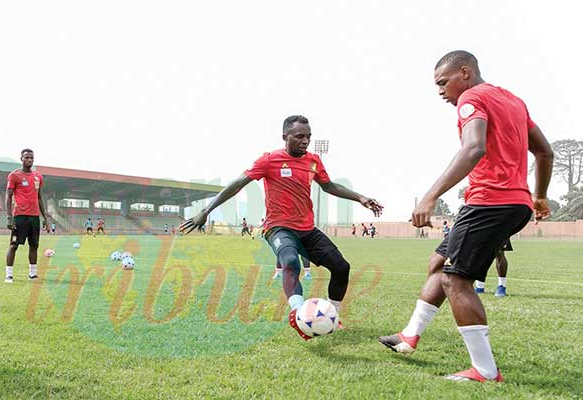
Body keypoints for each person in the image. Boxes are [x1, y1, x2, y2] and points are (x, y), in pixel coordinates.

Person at [378, 51, 553, 383]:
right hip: (514, 203)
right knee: (437, 262)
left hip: (490, 202)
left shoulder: (471, 97)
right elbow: (545, 151)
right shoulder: (514, 101)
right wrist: (540, 195)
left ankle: (484, 371)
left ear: (465, 72)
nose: (441, 91)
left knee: (455, 280)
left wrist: (430, 196)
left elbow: (473, 148)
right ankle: (409, 335)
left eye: (444, 83)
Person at [181, 115, 383, 340]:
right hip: (278, 227)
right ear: (285, 137)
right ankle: (297, 314)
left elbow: (329, 186)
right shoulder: (269, 160)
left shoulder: (314, 161)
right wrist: (205, 212)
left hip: (307, 229)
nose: (305, 141)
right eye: (299, 136)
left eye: (308, 136)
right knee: (289, 261)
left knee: (341, 267)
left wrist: (361, 198)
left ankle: (334, 316)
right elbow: (237, 184)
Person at [5, 149, 47, 283]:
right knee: (14, 245)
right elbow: (8, 196)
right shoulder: (14, 175)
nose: (30, 160)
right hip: (20, 216)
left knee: (34, 245)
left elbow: (39, 197)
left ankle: (32, 274)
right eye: (27, 157)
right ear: (21, 159)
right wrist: (9, 217)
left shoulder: (38, 177)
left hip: (34, 217)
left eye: (32, 158)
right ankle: (9, 275)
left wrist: (45, 217)